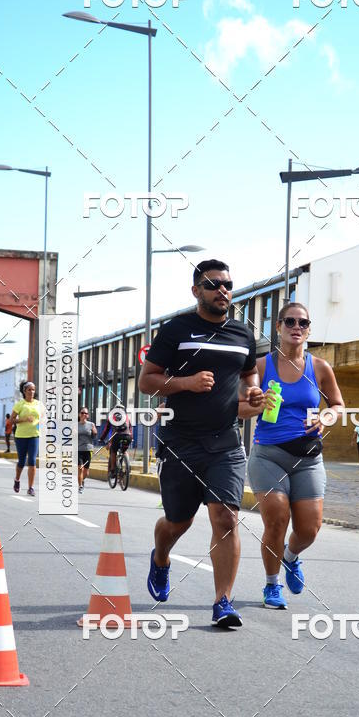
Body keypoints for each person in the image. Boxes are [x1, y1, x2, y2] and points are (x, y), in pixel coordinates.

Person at [139, 259, 262, 628]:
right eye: (213, 285)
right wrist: (185, 383)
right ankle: (161, 558)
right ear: (196, 291)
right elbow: (147, 381)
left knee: (226, 518)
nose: (222, 290)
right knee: (178, 521)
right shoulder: (177, 329)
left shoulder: (242, 333)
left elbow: (248, 371)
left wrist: (253, 391)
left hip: (225, 442)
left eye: (227, 284)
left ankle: (223, 601)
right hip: (180, 441)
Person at [240, 303, 344, 608]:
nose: (296, 326)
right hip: (268, 455)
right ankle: (272, 585)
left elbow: (337, 405)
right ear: (278, 327)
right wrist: (256, 405)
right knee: (276, 519)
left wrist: (326, 418)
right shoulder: (259, 367)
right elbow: (236, 408)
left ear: (309, 329)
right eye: (289, 321)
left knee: (309, 530)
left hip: (309, 457)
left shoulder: (321, 368)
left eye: (303, 322)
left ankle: (291, 556)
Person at [12, 380, 42, 496]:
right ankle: (17, 480)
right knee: (22, 461)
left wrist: (42, 422)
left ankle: (31, 487)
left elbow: (44, 417)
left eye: (33, 389)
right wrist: (24, 419)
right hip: (21, 436)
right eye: (29, 389)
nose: (31, 391)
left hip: (34, 435)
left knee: (32, 461)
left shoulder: (38, 404)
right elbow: (11, 420)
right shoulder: (20, 404)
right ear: (24, 391)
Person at [99, 406, 132, 479]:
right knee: (125, 451)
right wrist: (131, 437)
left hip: (117, 436)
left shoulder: (112, 416)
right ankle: (128, 464)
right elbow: (130, 428)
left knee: (113, 451)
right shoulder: (126, 416)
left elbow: (106, 430)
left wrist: (101, 439)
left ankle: (113, 470)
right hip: (128, 436)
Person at [78, 407, 97, 493]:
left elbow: (94, 436)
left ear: (88, 415)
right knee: (80, 468)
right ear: (79, 414)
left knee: (86, 472)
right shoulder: (75, 425)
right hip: (78, 450)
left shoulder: (91, 424)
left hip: (88, 449)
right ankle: (80, 486)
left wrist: (94, 432)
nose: (84, 415)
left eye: (85, 413)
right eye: (82, 413)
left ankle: (82, 480)